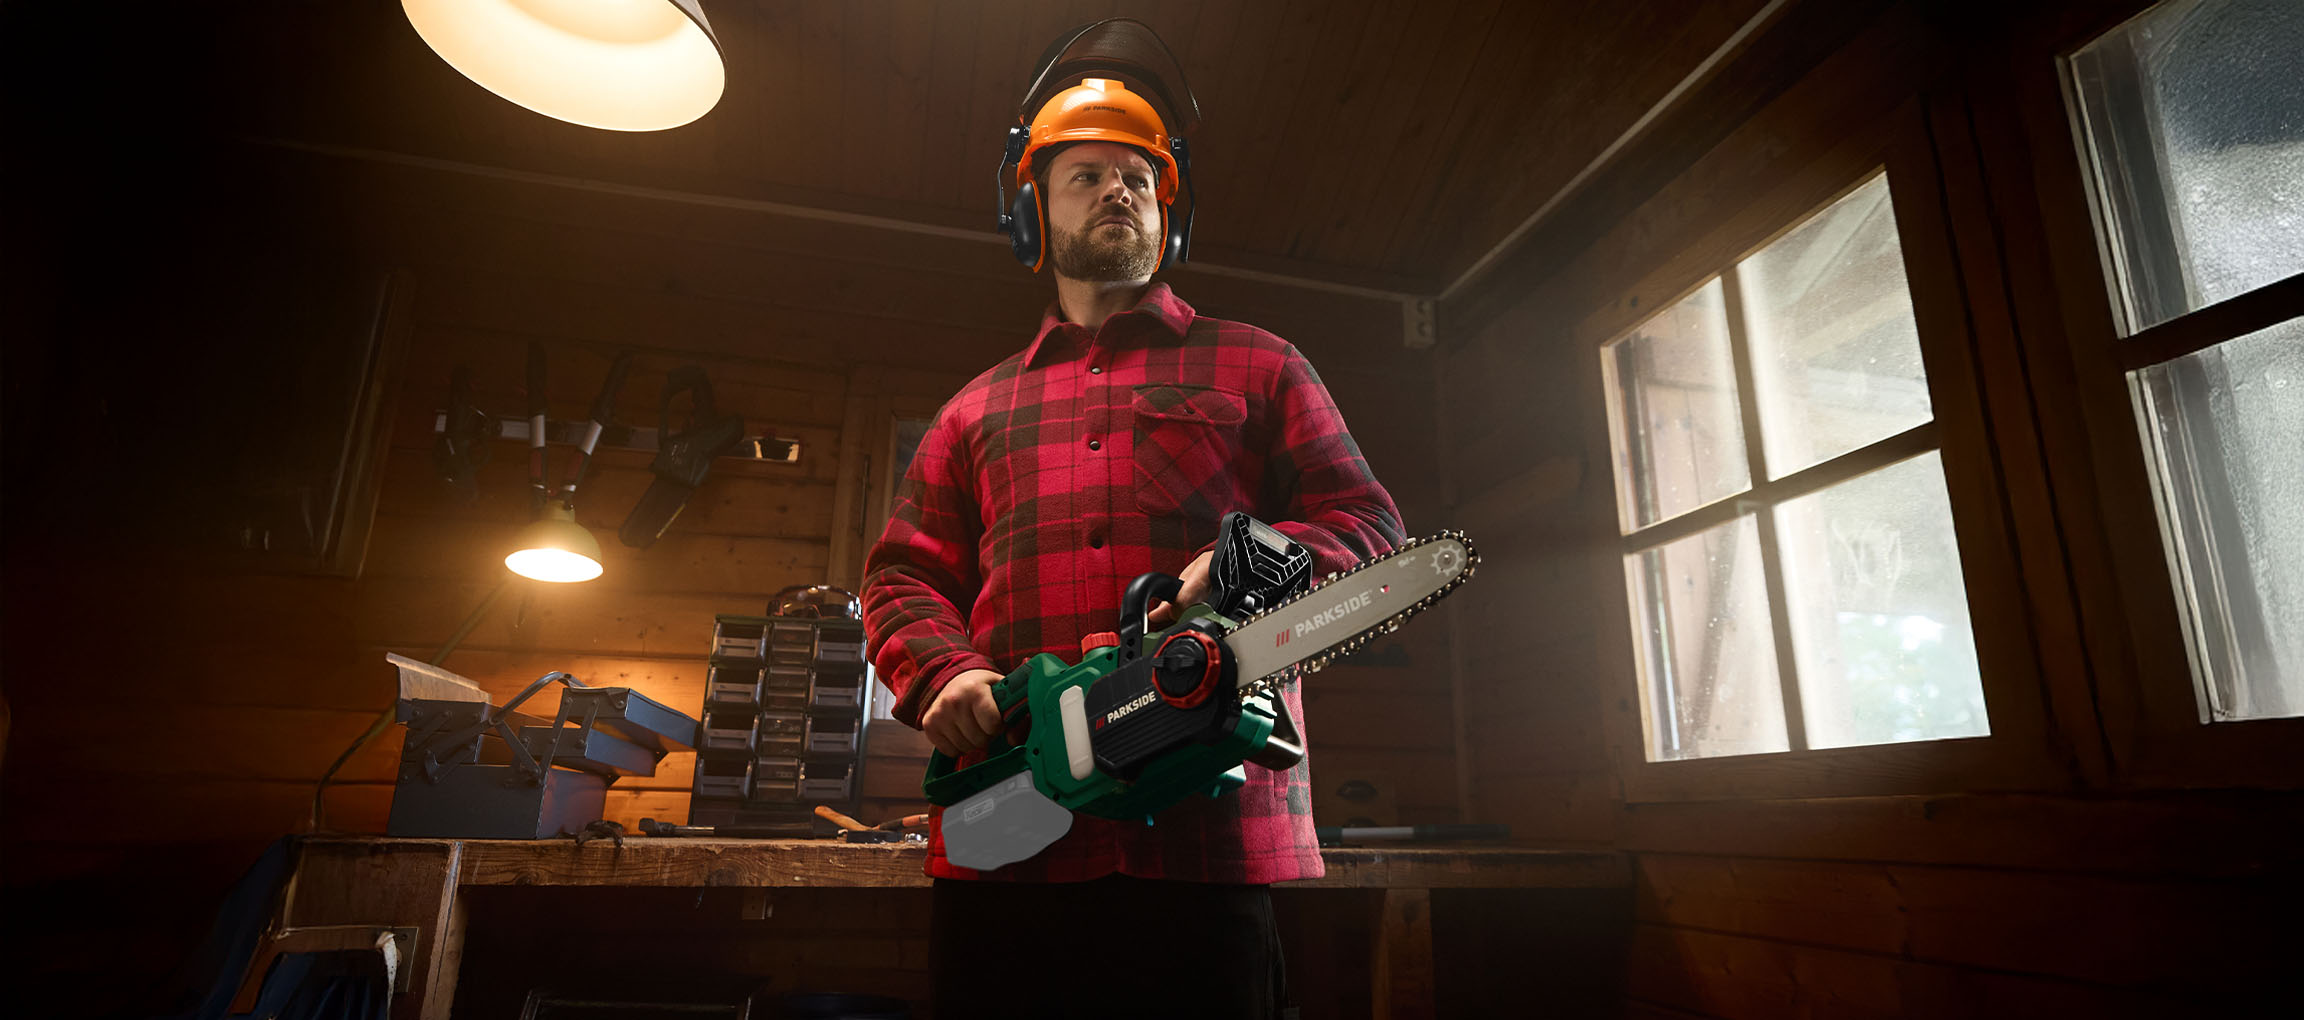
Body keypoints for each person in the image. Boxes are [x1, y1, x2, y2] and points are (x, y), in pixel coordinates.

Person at [861, 69, 1403, 1020]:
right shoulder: (974, 408)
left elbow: (1369, 528)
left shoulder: (1260, 363)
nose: (1118, 190)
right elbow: (905, 572)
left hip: (1208, 827)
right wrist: (941, 673)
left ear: (1166, 217)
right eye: (1086, 176)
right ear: (1033, 214)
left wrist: (1242, 567)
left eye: (1138, 179)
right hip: (1010, 830)